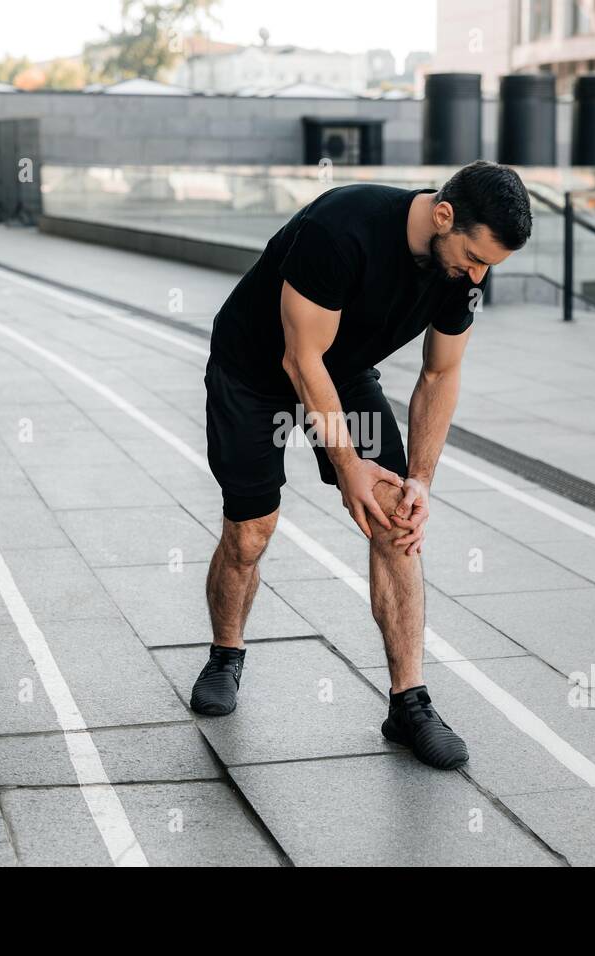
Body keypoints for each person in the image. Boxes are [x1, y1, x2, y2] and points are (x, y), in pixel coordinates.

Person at [192, 160, 532, 770]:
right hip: (254, 373)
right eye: (475, 257)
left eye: (488, 266)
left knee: (396, 518)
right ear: (443, 214)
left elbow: (440, 371)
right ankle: (226, 653)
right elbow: (301, 359)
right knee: (251, 532)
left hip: (341, 374)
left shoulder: (460, 270)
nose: (477, 276)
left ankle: (409, 703)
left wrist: (420, 481)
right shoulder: (341, 228)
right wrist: (347, 464)